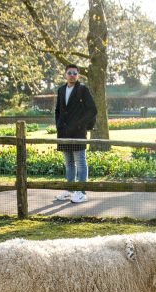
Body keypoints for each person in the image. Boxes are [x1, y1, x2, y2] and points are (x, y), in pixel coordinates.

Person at [54, 64, 97, 204]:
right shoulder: (60, 90)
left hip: (78, 133)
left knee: (80, 162)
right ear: (65, 75)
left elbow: (92, 110)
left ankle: (82, 192)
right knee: (69, 163)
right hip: (64, 133)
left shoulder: (82, 90)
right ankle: (70, 189)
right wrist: (58, 125)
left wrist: (81, 124)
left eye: (74, 73)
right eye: (69, 72)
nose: (72, 75)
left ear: (77, 75)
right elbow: (58, 111)